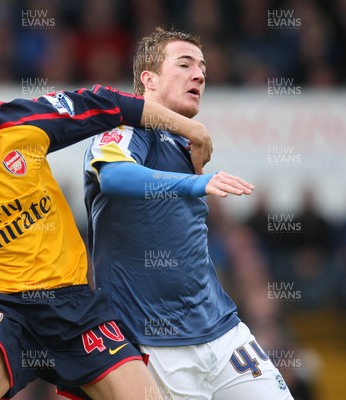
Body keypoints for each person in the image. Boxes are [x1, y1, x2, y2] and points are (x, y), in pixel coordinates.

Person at [0, 63, 212, 400]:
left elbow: (107, 103)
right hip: (1, 309)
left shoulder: (20, 124)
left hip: (75, 305)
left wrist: (191, 129)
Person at [83, 27, 294, 399]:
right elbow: (113, 177)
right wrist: (198, 184)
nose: (199, 74)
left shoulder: (186, 144)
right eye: (184, 64)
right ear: (148, 79)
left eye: (202, 69)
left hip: (222, 330)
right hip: (156, 341)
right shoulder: (125, 126)